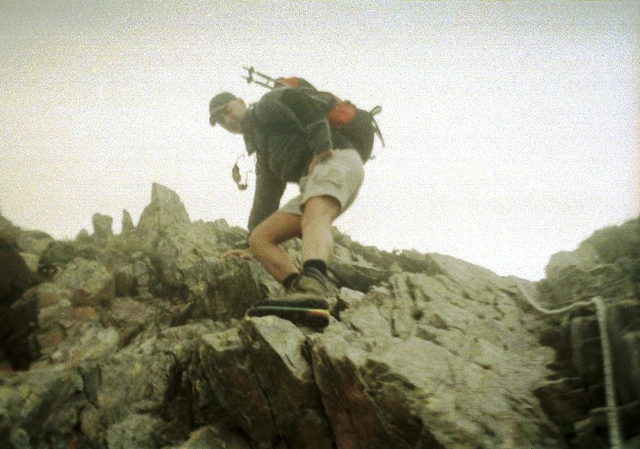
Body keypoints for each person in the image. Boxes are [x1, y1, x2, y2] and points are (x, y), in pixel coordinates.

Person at [208, 84, 374, 324]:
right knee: (260, 239)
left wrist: (321, 145)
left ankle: (313, 287)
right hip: (314, 181)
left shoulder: (266, 106)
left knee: (314, 214)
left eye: (227, 110)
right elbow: (265, 198)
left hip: (336, 160)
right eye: (221, 120)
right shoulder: (264, 153)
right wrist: (248, 245)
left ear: (241, 102)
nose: (228, 119)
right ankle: (303, 297)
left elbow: (301, 103)